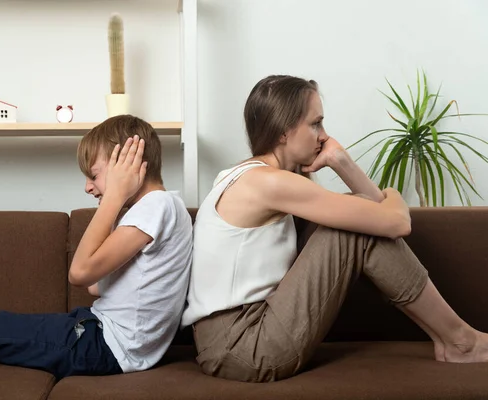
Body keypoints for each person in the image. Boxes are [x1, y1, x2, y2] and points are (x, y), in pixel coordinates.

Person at [181, 75, 488, 383]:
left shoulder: (244, 175)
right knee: (347, 229)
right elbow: (397, 221)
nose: (324, 136)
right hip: (242, 345)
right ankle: (461, 340)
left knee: (353, 216)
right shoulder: (266, 183)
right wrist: (391, 194)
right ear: (284, 131)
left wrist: (341, 162)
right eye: (316, 124)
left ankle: (456, 340)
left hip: (236, 340)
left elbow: (375, 214)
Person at [0, 115, 193, 380]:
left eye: (94, 175)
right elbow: (97, 288)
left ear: (128, 164)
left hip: (101, 346)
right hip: (93, 333)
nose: (88, 186)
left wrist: (113, 199)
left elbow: (81, 274)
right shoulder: (159, 209)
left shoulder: (158, 205)